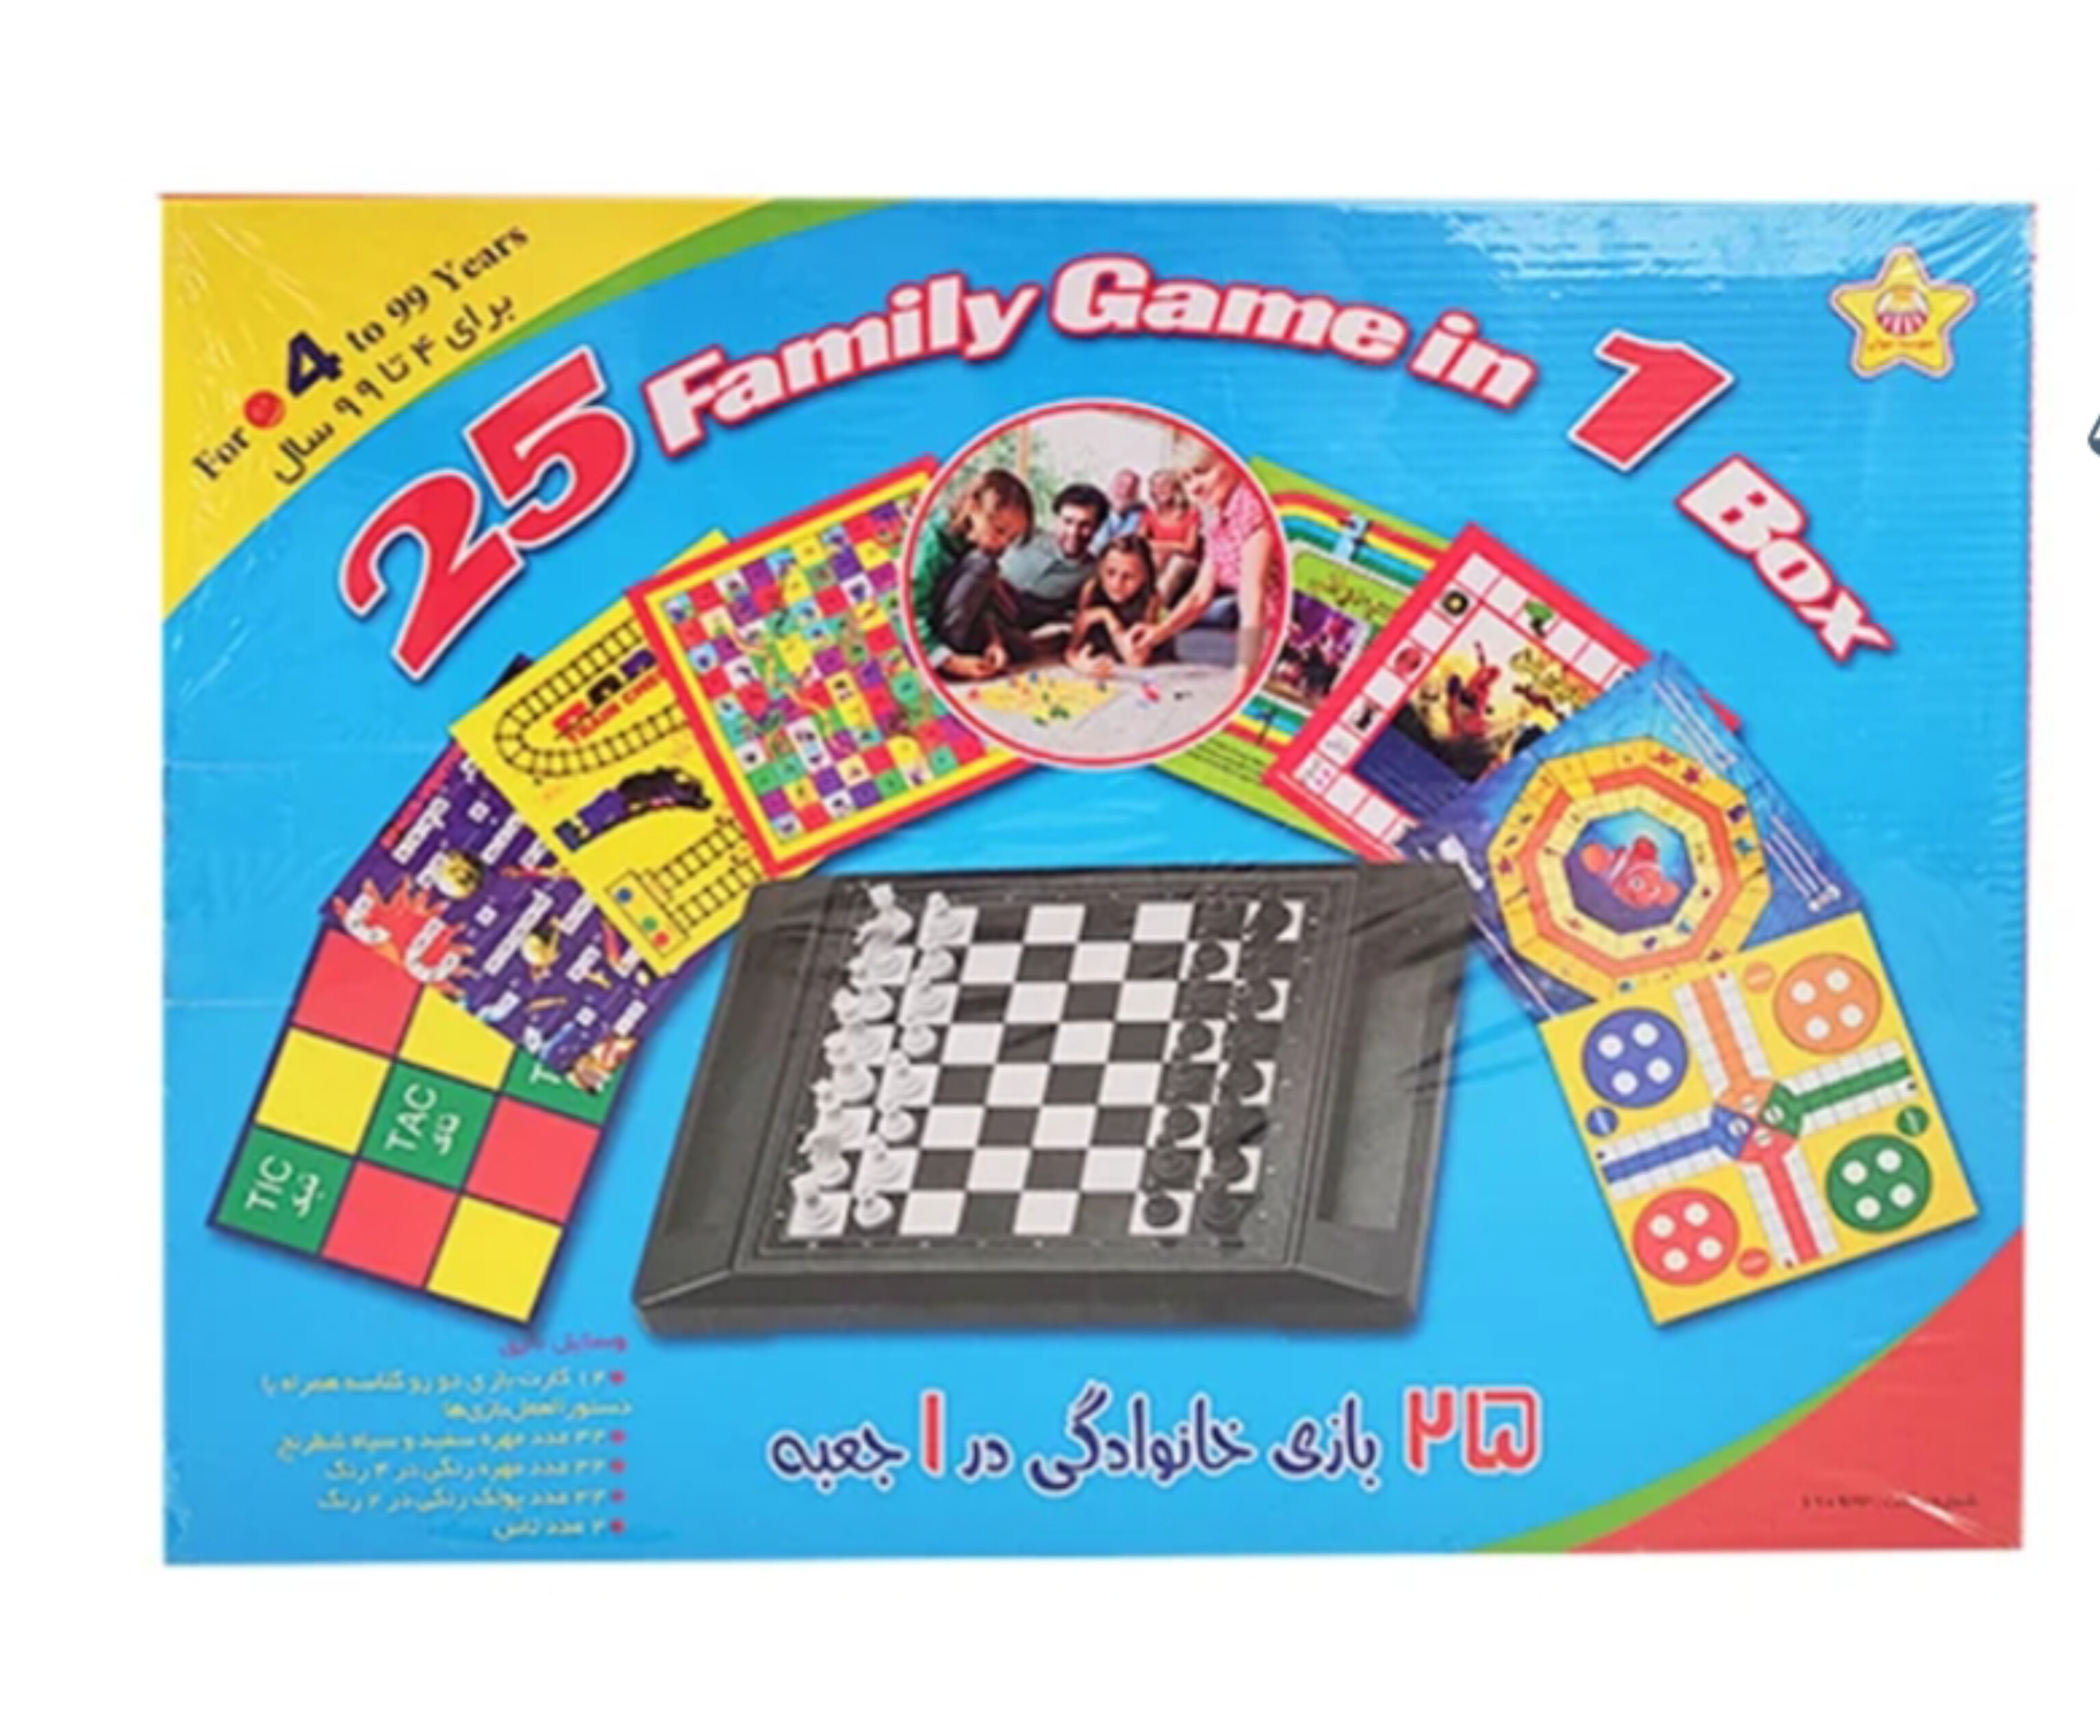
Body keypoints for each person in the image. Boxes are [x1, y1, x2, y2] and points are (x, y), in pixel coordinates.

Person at [1138, 445, 1279, 685]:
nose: (1194, 487)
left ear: (1231, 463)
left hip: (1281, 633)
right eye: (1186, 480)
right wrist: (1157, 634)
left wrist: (1243, 681)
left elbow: (1253, 601)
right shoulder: (1218, 518)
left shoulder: (1251, 506)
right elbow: (1199, 596)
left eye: (1201, 472)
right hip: (1263, 633)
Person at [910, 468, 1036, 680]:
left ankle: (978, 647)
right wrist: (950, 662)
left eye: (1012, 539)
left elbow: (982, 602)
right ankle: (948, 655)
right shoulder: (930, 542)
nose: (1003, 543)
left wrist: (994, 641)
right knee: (983, 564)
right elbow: (909, 612)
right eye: (999, 530)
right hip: (932, 634)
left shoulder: (979, 543)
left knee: (1023, 647)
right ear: (973, 507)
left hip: (959, 620)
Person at [997, 482, 1111, 632]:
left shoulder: (1092, 572)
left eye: (1085, 525)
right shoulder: (1025, 535)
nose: (1073, 532)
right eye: (1068, 522)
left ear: (1098, 528)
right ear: (1056, 519)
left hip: (1017, 628)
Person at [1066, 535, 1168, 678]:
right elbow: (1072, 648)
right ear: (1100, 569)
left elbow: (1136, 660)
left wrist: (1108, 618)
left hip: (1141, 659)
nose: (1117, 584)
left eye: (1128, 576)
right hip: (1106, 653)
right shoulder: (1092, 589)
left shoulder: (1151, 599)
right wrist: (1081, 665)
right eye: (1110, 573)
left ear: (1145, 577)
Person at [1140, 467, 1202, 599]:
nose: (1160, 489)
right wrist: (1175, 546)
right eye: (1156, 486)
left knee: (1176, 562)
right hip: (1159, 561)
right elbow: (1139, 543)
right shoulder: (1149, 514)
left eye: (1165, 484)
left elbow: (1190, 548)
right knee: (1153, 559)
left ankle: (1156, 604)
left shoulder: (1191, 513)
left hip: (1186, 563)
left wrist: (1159, 546)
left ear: (1175, 487)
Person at [1090, 469, 1146, 554]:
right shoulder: (1094, 509)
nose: (1125, 492)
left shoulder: (1141, 513)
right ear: (1111, 486)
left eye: (1132, 488)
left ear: (1137, 493)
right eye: (1121, 485)